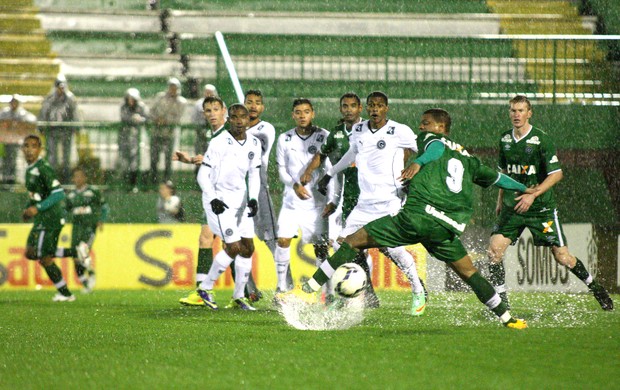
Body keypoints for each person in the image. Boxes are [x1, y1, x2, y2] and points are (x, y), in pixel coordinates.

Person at [298, 108, 530, 329]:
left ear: (440, 126)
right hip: (445, 227)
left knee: (351, 241)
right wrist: (525, 189)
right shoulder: (468, 157)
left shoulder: (431, 139)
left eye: (426, 123)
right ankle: (508, 318)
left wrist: (418, 162)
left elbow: (436, 148)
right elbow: (499, 178)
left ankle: (309, 287)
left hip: (417, 218)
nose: (421, 126)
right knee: (469, 273)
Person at [487, 95, 613, 311]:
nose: (516, 115)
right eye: (513, 110)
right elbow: (504, 174)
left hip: (540, 208)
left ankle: (596, 288)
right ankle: (501, 302)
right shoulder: (505, 140)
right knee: (494, 251)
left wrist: (532, 195)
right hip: (513, 207)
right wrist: (500, 200)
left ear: (529, 113)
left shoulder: (541, 140)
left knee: (562, 257)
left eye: (520, 110)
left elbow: (556, 174)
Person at [316, 91, 426, 315]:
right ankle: (350, 294)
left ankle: (418, 290)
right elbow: (351, 154)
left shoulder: (400, 130)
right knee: (341, 246)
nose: (375, 109)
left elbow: (423, 151)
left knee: (394, 249)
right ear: (367, 108)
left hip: (389, 202)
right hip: (364, 205)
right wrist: (330, 173)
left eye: (379, 106)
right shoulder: (358, 130)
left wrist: (416, 175)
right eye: (372, 106)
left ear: (386, 108)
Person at [300, 92, 379, 305]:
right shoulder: (336, 134)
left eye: (353, 106)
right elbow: (322, 156)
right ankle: (366, 293)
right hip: (351, 197)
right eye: (345, 106)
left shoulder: (370, 129)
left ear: (360, 108)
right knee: (348, 245)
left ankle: (416, 286)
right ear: (340, 109)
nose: (348, 109)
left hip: (375, 194)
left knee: (386, 247)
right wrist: (310, 172)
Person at [195, 103, 262, 310]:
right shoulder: (218, 143)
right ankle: (205, 287)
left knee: (248, 247)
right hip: (219, 201)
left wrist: (254, 198)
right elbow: (202, 175)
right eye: (235, 117)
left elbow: (254, 174)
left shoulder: (254, 143)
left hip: (240, 201)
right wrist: (213, 197)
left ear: (248, 119)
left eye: (244, 117)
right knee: (233, 247)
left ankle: (238, 296)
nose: (240, 121)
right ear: (229, 119)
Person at [274, 98, 334, 295]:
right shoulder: (284, 138)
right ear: (293, 115)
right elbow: (282, 170)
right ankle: (281, 288)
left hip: (316, 203)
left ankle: (328, 292)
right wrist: (295, 185)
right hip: (291, 201)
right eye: (298, 112)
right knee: (282, 240)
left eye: (306, 112)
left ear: (313, 113)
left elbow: (330, 169)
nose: (302, 116)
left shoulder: (324, 136)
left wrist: (330, 196)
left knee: (321, 248)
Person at [175, 95, 227, 306]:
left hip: (228, 194)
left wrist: (207, 161)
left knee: (234, 245)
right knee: (207, 238)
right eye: (208, 110)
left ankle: (245, 291)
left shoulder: (230, 133)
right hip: (214, 194)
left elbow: (232, 161)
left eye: (216, 109)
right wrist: (190, 160)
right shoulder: (210, 134)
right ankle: (203, 291)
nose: (212, 114)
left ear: (224, 110)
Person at [244, 89, 294, 293]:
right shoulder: (233, 130)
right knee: (237, 240)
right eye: (249, 102)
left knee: (271, 237)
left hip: (257, 184)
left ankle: (286, 286)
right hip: (235, 186)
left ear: (262, 108)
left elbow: (255, 154)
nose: (253, 106)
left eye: (257, 102)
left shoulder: (266, 129)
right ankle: (248, 290)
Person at [21, 134, 75, 301]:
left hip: (51, 217)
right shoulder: (30, 169)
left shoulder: (43, 167)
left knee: (45, 257)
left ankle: (66, 294)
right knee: (30, 252)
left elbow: (59, 193)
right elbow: (37, 195)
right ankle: (75, 251)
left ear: (40, 150)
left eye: (33, 146)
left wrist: (37, 208)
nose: (29, 150)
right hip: (41, 218)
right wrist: (28, 209)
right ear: (22, 149)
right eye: (26, 146)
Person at [55, 166, 108, 293]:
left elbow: (104, 206)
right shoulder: (71, 195)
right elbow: (64, 210)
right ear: (73, 179)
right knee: (75, 256)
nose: (77, 179)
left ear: (85, 178)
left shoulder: (93, 191)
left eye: (80, 176)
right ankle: (85, 282)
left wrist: (101, 219)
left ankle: (91, 273)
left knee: (83, 249)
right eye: (75, 176)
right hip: (76, 228)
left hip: (89, 226)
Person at [38, 75, 79, 182]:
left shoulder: (70, 98)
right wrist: (41, 126)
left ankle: (65, 179)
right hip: (52, 130)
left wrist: (76, 127)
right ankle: (52, 179)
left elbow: (75, 113)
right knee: (52, 157)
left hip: (66, 131)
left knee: (66, 158)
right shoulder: (50, 98)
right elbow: (43, 112)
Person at [149, 77, 186, 184]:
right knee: (154, 158)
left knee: (168, 159)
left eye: (175, 88)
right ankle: (153, 180)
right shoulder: (160, 97)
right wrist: (156, 119)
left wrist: (166, 121)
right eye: (171, 87)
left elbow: (178, 117)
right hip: (156, 131)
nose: (172, 90)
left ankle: (167, 181)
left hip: (170, 134)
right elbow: (151, 111)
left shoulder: (181, 102)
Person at [0, 95, 36, 183]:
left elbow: (32, 120)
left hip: (18, 143)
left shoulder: (23, 114)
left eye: (15, 102)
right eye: (12, 102)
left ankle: (15, 180)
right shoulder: (4, 113)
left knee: (16, 161)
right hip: (6, 143)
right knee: (6, 161)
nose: (14, 104)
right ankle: (6, 179)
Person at [119, 87, 148, 191]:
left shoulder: (141, 106)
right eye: (129, 98)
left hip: (138, 138)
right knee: (125, 161)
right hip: (126, 138)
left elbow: (147, 118)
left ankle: (137, 184)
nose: (131, 101)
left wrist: (140, 119)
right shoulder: (123, 107)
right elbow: (124, 117)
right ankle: (126, 185)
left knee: (138, 162)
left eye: (133, 99)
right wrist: (133, 118)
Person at [191, 83, 219, 157]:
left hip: (215, 131)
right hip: (201, 130)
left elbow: (224, 117)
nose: (209, 94)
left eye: (211, 92)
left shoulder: (220, 104)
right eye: (207, 92)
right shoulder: (199, 104)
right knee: (200, 150)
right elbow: (193, 118)